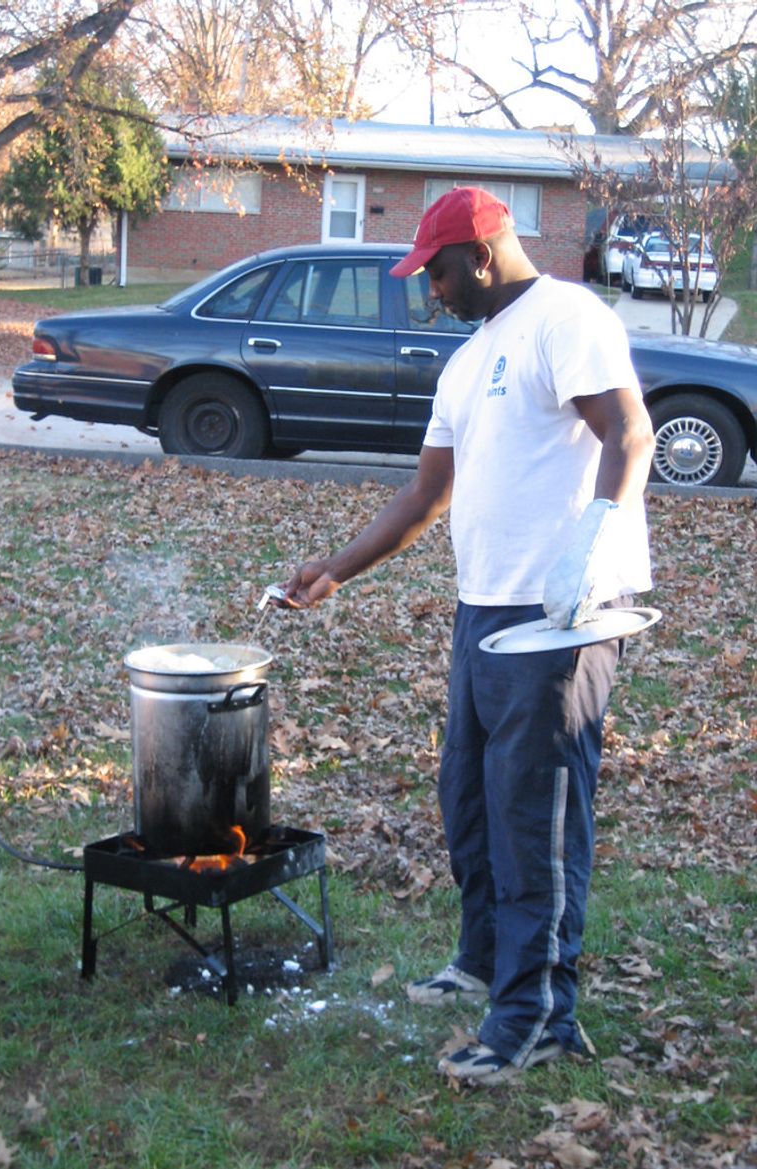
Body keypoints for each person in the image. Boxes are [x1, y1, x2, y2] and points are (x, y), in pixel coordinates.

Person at [282, 186, 655, 1087]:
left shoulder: (568, 317)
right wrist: (334, 568)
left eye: (438, 273)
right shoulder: (467, 361)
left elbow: (630, 431)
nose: (431, 292)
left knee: (537, 819)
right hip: (483, 610)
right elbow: (424, 495)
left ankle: (537, 1016)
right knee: (472, 803)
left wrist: (594, 539)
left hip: (558, 616)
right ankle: (487, 961)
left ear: (481, 256)